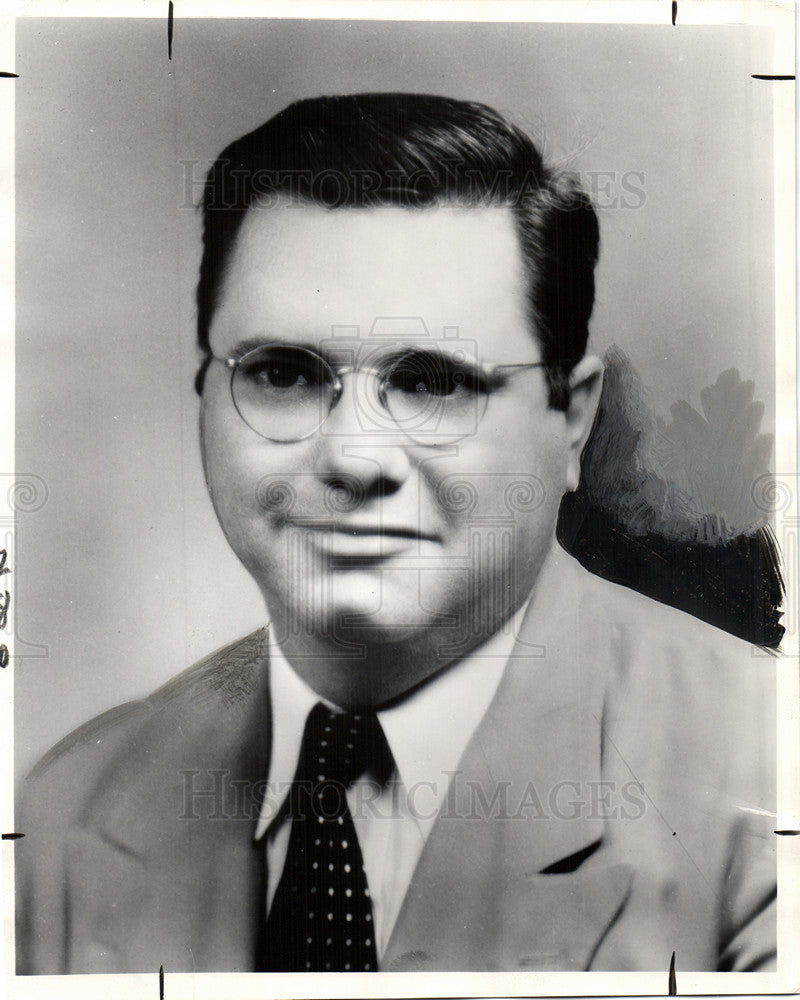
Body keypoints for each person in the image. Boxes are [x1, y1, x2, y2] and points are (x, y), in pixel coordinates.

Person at [16, 93, 776, 974]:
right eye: (283, 372)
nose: (353, 456)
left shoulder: (764, 780)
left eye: (432, 382)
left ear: (570, 419)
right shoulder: (68, 813)